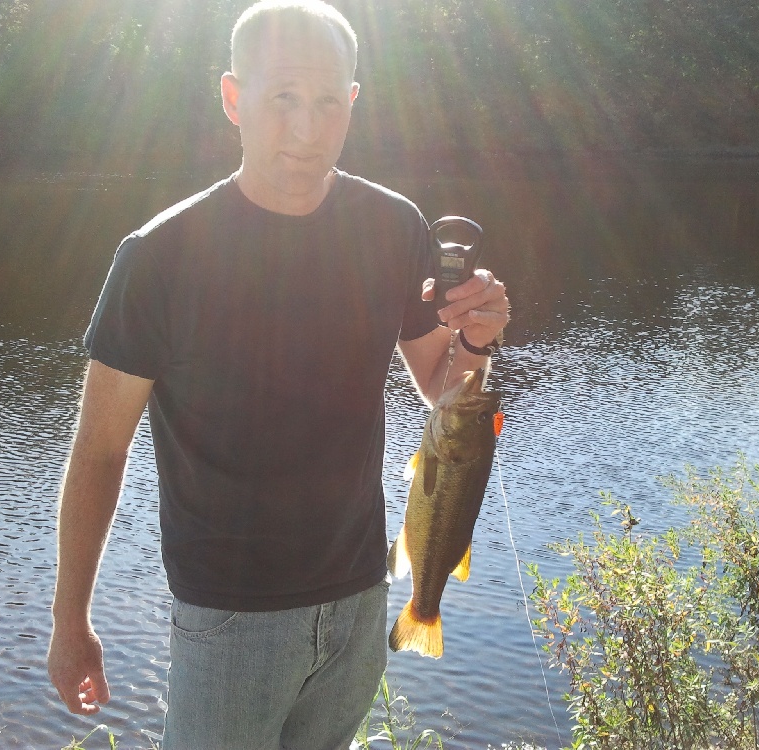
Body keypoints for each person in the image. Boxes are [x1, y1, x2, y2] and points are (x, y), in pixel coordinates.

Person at [46, 1, 509, 747]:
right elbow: (98, 453)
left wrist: (479, 340)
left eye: (329, 101)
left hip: (361, 596)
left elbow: (440, 383)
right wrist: (71, 621)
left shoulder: (394, 227)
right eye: (283, 98)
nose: (307, 127)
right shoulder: (159, 257)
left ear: (352, 103)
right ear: (233, 98)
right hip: (229, 618)